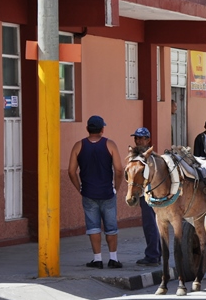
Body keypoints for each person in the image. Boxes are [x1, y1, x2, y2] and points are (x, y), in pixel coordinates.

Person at [68, 115, 123, 269]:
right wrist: (116, 188)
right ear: (102, 129)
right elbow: (119, 170)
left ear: (87, 129)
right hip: (107, 192)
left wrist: (79, 187)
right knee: (111, 227)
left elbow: (71, 171)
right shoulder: (110, 145)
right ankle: (113, 259)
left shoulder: (78, 146)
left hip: (88, 193)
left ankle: (97, 259)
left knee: (93, 227)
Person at [130, 127, 161, 266]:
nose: (138, 141)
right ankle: (156, 253)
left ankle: (152, 255)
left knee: (150, 225)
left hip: (151, 195)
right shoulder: (136, 156)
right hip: (144, 195)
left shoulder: (151, 157)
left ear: (148, 140)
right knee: (152, 225)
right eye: (136, 138)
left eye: (141, 138)